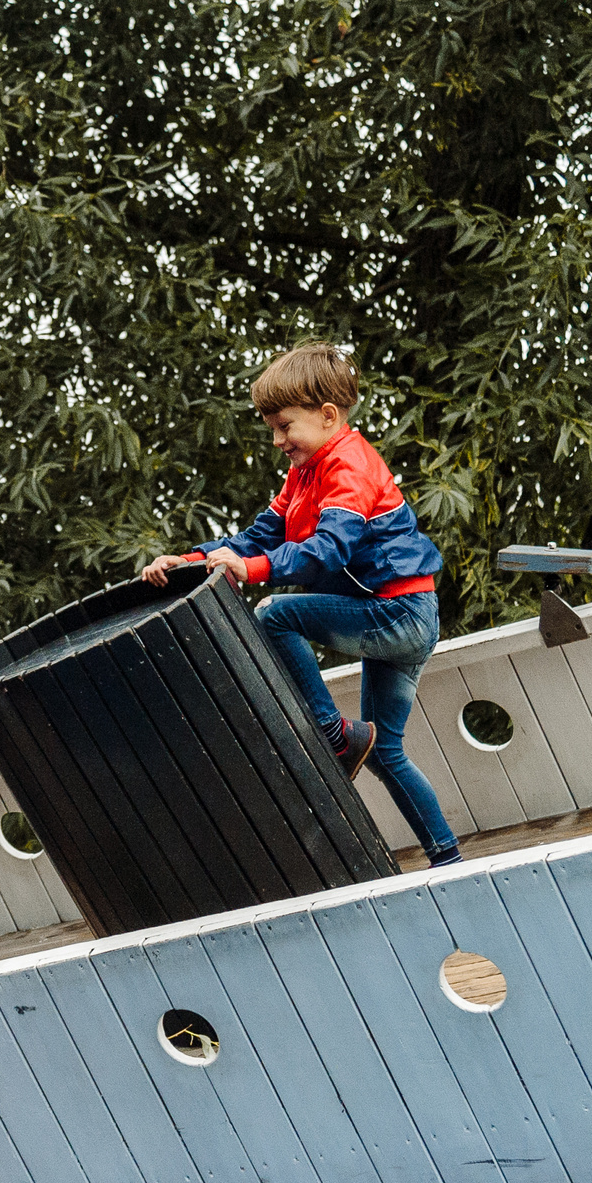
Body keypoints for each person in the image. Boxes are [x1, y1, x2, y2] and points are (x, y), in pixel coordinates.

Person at [142, 342, 464, 867]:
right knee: (385, 753)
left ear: (327, 416)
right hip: (400, 617)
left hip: (399, 615)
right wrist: (184, 560)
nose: (277, 440)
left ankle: (335, 737)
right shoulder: (305, 473)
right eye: (271, 427)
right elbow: (258, 536)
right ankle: (447, 858)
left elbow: (328, 550)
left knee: (274, 613)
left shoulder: (349, 468)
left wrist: (257, 571)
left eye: (284, 426)